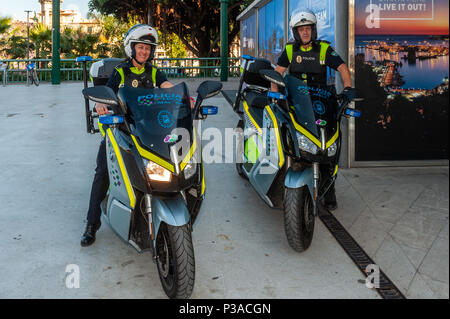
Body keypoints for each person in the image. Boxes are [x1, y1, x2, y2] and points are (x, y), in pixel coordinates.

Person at [81, 24, 176, 247]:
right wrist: (100, 104)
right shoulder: (120, 72)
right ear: (131, 48)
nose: (144, 52)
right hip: (121, 129)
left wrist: (181, 95)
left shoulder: (154, 71)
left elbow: (166, 85)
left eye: (147, 49)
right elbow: (108, 93)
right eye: (140, 47)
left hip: (149, 129)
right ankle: (91, 223)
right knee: (103, 170)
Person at [272, 9, 356, 211]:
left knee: (329, 141)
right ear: (296, 32)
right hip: (298, 103)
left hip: (322, 102)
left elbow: (343, 68)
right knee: (291, 139)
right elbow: (277, 73)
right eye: (301, 29)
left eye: (308, 28)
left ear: (313, 29)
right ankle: (292, 176)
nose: (305, 32)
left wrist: (347, 89)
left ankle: (330, 188)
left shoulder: (325, 49)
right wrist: (275, 95)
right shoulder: (290, 50)